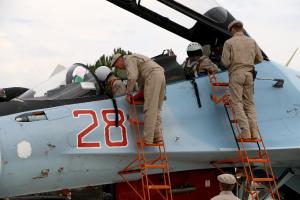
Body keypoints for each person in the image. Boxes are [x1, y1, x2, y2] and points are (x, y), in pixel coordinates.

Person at [221, 20, 263, 139]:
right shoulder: (252, 41)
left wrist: (237, 64)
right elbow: (259, 59)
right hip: (249, 74)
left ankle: (245, 131)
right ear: (242, 28)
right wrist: (248, 63)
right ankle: (254, 132)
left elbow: (225, 62)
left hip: (236, 74)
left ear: (233, 29)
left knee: (237, 102)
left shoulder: (229, 42)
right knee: (249, 104)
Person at [111, 53, 165, 145]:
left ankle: (147, 139)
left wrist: (128, 94)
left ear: (120, 60)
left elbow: (132, 77)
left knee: (149, 108)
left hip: (152, 76)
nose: (119, 68)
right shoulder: (136, 59)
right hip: (160, 75)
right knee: (156, 108)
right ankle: (157, 137)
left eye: (117, 66)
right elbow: (142, 80)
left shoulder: (128, 59)